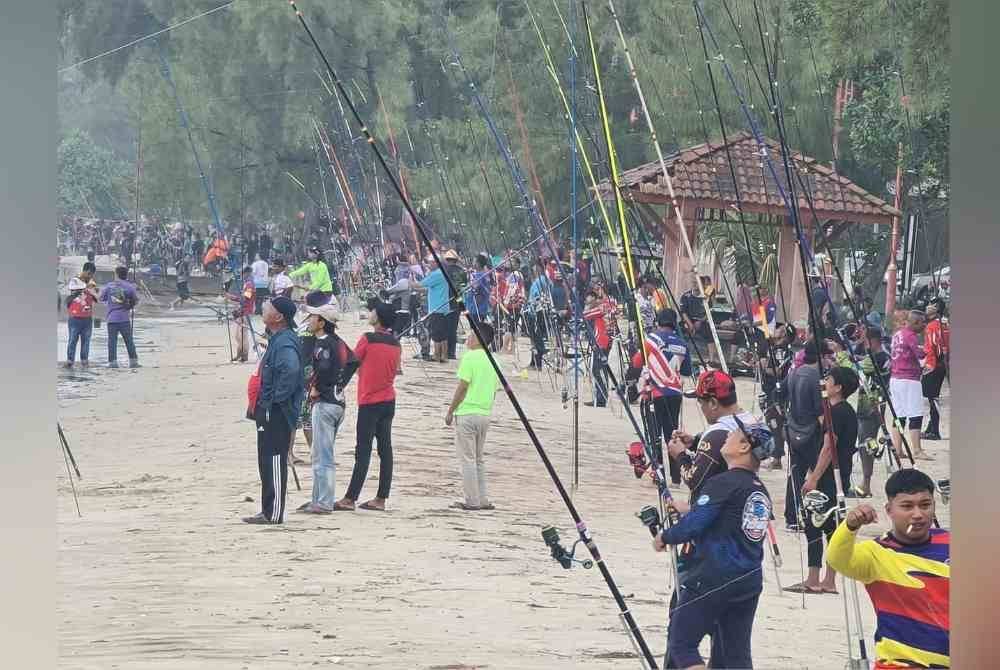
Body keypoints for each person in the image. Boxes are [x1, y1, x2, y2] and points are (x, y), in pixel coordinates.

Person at [654, 414, 774, 670]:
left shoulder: (722, 483)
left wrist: (665, 537)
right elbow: (731, 520)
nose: (727, 436)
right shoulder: (758, 490)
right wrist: (691, 509)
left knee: (682, 644)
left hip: (713, 577)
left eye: (733, 434)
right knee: (734, 657)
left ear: (743, 447)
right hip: (749, 581)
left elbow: (695, 525)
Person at [826, 469, 949, 669]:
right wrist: (849, 526)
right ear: (889, 510)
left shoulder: (952, 542)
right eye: (907, 506)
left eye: (925, 505)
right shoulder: (876, 553)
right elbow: (837, 559)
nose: (917, 514)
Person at [334, 302, 401, 512]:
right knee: (385, 450)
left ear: (378, 317)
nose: (370, 313)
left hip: (370, 402)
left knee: (363, 450)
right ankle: (381, 498)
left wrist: (338, 385)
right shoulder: (396, 344)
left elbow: (352, 362)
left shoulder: (368, 339)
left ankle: (350, 498)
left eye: (373, 311)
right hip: (389, 401)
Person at [244, 297, 304, 524]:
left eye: (268, 307)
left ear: (279, 317)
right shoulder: (277, 339)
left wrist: (273, 401)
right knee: (265, 460)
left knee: (276, 460)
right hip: (266, 409)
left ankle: (275, 512)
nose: (263, 308)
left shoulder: (286, 342)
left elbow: (290, 371)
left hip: (276, 411)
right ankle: (267, 508)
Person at [296, 303, 359, 514]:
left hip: (325, 404)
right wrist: (339, 384)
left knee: (322, 456)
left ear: (322, 322)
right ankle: (318, 498)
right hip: (337, 403)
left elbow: (323, 369)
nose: (309, 320)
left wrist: (318, 388)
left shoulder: (322, 344)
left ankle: (323, 502)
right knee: (321, 453)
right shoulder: (338, 342)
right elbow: (353, 362)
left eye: (313, 317)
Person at [668, 370, 756, 502]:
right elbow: (724, 455)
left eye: (701, 402)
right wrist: (694, 443)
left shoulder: (717, 434)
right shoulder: (751, 421)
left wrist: (680, 455)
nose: (701, 407)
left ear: (713, 403)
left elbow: (693, 481)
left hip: (717, 509)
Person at [444, 322, 500, 511]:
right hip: (485, 414)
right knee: (478, 459)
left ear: (478, 338)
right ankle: (482, 499)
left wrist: (451, 410)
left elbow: (463, 387)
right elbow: (494, 391)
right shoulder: (494, 360)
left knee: (468, 459)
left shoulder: (470, 357)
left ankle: (472, 500)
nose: (468, 338)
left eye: (470, 335)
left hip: (467, 413)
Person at [634, 309, 692, 483]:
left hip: (654, 393)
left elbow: (637, 362)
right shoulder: (682, 343)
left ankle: (659, 477)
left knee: (653, 436)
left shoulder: (652, 339)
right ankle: (676, 477)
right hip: (674, 394)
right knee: (672, 435)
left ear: (658, 322)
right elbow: (687, 370)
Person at [890, 310, 932, 461]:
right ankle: (917, 450)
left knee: (899, 415)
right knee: (915, 414)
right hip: (909, 379)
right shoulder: (910, 335)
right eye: (922, 322)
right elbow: (920, 355)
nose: (924, 325)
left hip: (895, 378)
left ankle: (898, 449)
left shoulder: (897, 334)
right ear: (915, 323)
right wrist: (927, 350)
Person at [99, 266, 140, 369]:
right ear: (126, 275)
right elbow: (135, 300)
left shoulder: (109, 286)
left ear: (116, 274)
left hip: (112, 319)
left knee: (112, 342)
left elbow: (101, 298)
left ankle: (113, 363)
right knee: (129, 340)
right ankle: (133, 362)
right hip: (124, 319)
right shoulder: (130, 287)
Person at [921, 298, 949, 440]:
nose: (927, 307)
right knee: (933, 398)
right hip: (943, 364)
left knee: (933, 399)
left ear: (936, 308)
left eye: (930, 304)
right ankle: (931, 428)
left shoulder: (932, 326)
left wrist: (927, 366)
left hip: (933, 365)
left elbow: (933, 348)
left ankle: (934, 430)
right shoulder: (946, 323)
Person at [65, 262, 99, 368]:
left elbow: (97, 298)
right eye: (89, 273)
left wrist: (94, 290)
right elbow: (73, 287)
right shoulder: (74, 280)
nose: (90, 276)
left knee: (86, 342)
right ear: (84, 271)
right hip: (74, 318)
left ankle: (84, 361)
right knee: (72, 340)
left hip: (87, 318)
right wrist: (87, 286)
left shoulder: (92, 283)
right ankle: (70, 361)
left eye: (92, 274)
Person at [583, 289, 612, 408]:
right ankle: (600, 396)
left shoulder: (602, 307)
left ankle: (601, 398)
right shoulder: (608, 304)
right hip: (604, 341)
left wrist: (589, 305)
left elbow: (585, 315)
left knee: (598, 370)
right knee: (600, 369)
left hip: (602, 342)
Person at [420, 255, 452, 363]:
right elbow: (428, 288)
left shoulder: (436, 274)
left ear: (435, 263)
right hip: (442, 308)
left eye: (430, 263)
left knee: (436, 333)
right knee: (442, 333)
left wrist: (408, 283)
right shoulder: (441, 273)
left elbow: (421, 284)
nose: (428, 265)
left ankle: (437, 355)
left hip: (436, 308)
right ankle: (444, 356)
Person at [225, 267, 256, 363]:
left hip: (246, 313)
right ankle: (239, 353)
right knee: (238, 336)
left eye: (244, 273)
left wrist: (232, 297)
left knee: (243, 335)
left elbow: (246, 298)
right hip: (242, 311)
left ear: (248, 273)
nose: (242, 275)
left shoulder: (250, 285)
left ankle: (244, 355)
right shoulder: (246, 284)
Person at [442, 249, 466, 360]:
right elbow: (464, 285)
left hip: (445, 301)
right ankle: (452, 353)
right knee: (453, 328)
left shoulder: (443, 270)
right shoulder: (462, 271)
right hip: (457, 301)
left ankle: (445, 352)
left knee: (445, 328)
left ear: (447, 260)